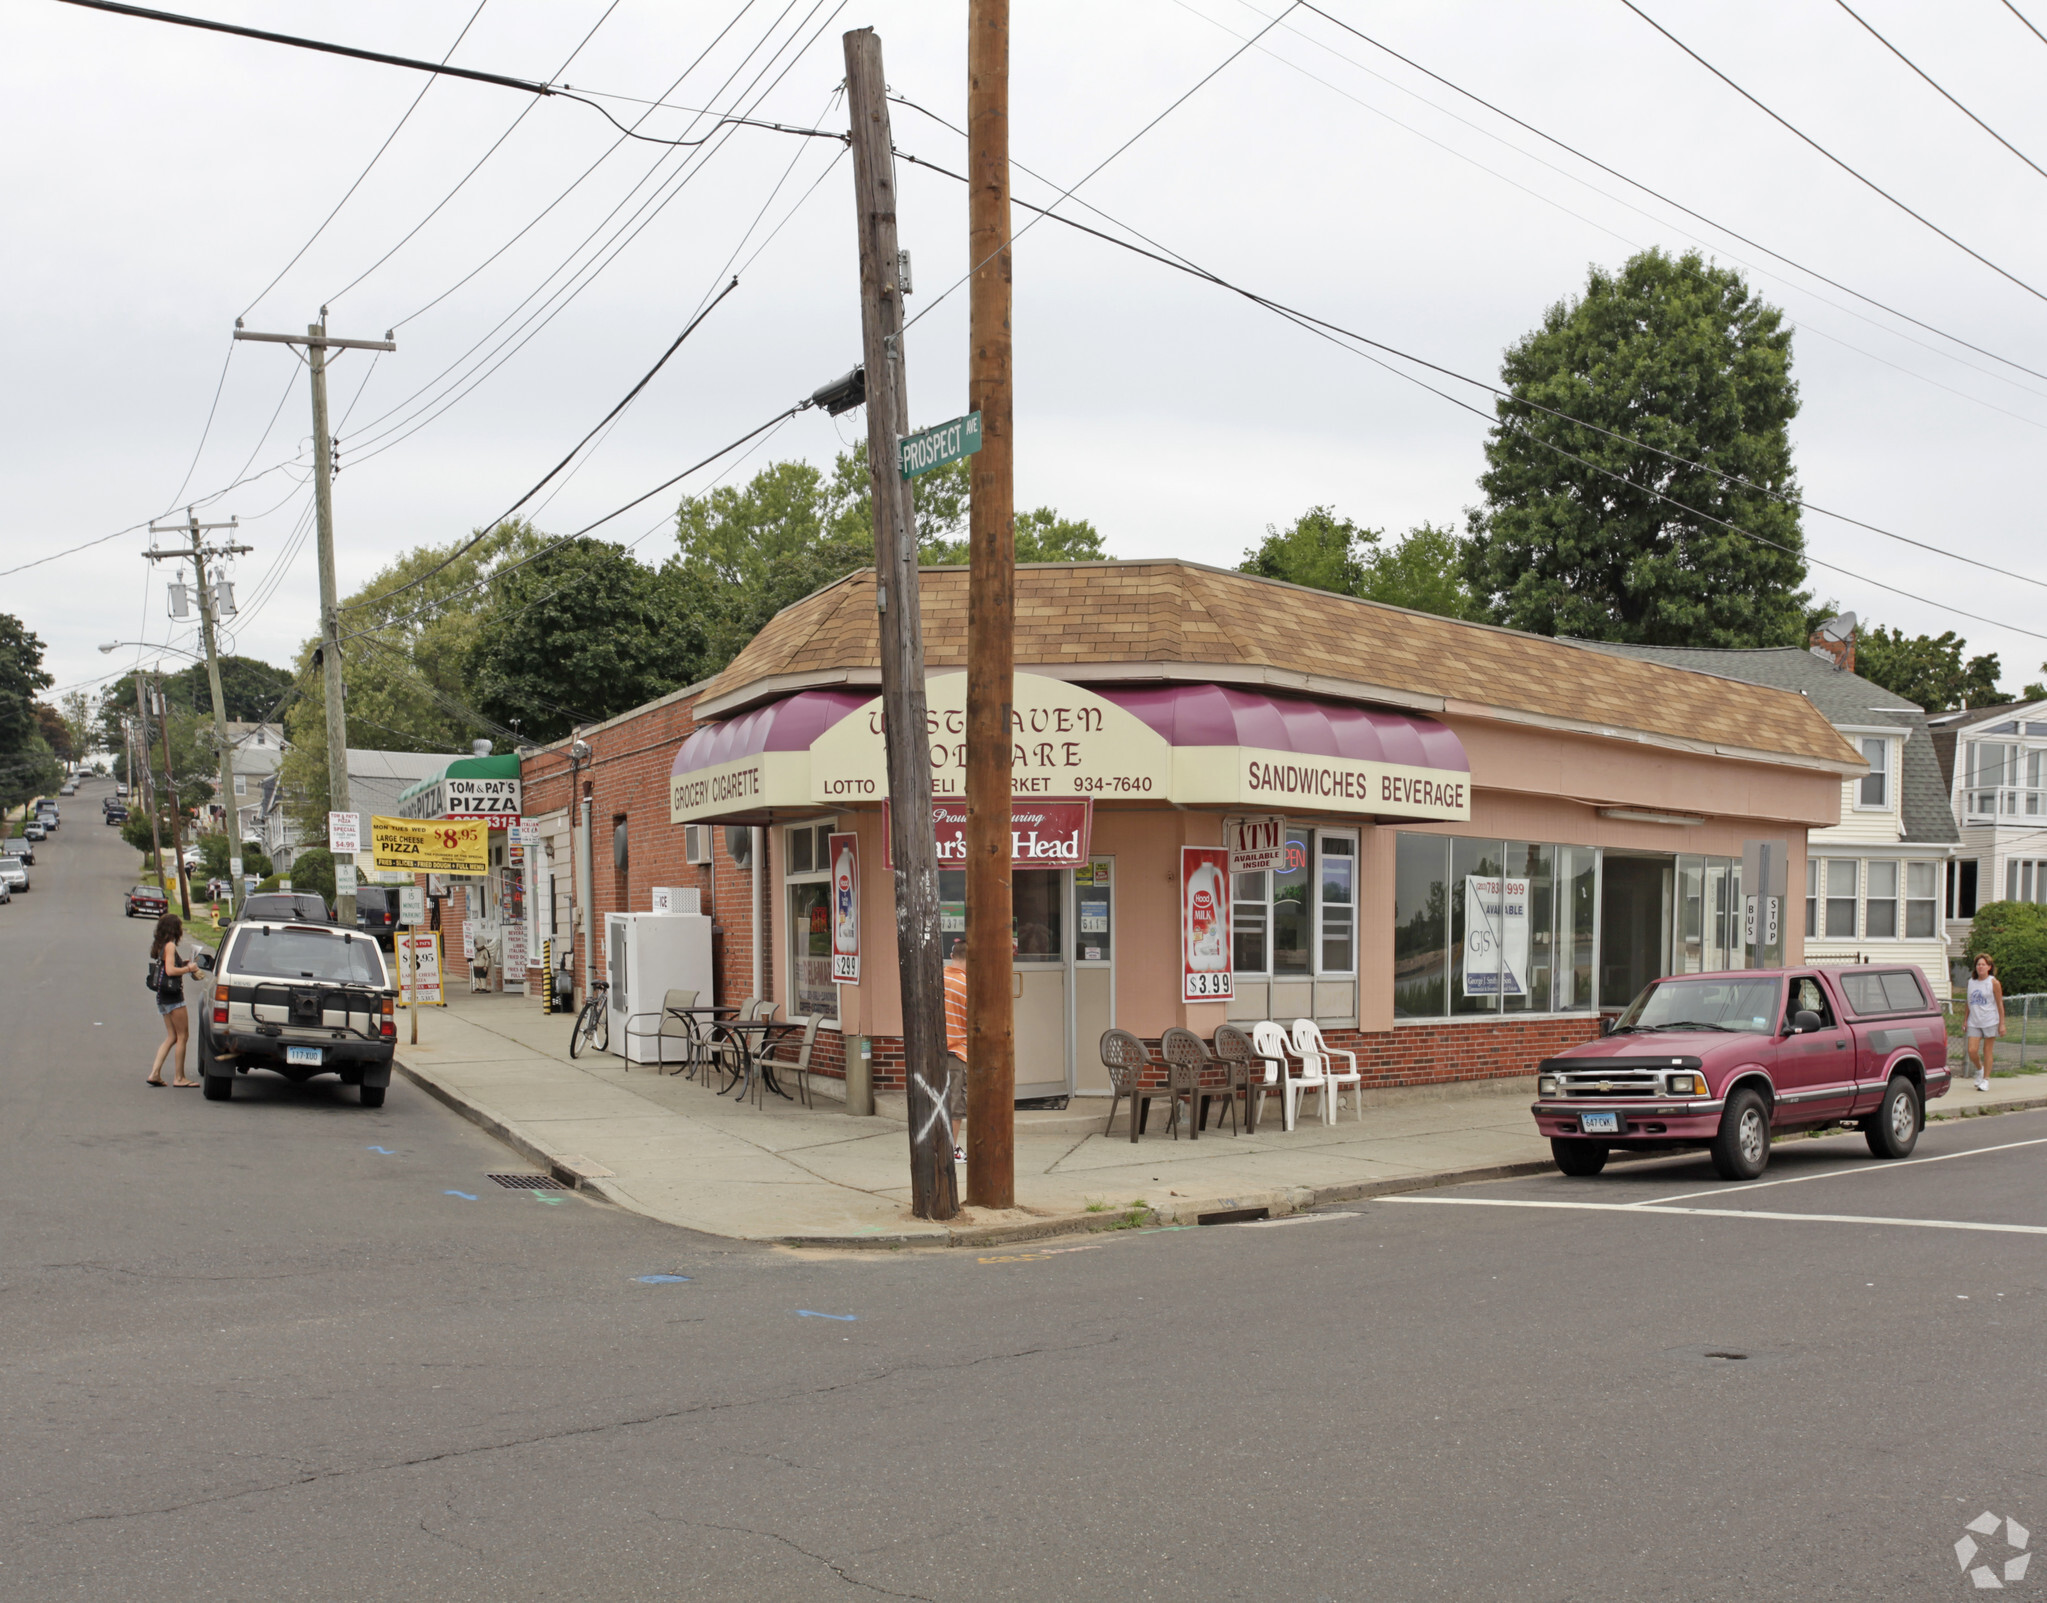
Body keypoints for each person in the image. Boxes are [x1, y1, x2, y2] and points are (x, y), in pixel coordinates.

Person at [147, 912, 202, 1088]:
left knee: (171, 1036)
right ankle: (179, 1077)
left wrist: (184, 963)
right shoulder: (170, 946)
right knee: (182, 1036)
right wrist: (189, 969)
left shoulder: (161, 946)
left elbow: (168, 966)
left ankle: (155, 1073)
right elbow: (170, 971)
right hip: (173, 997)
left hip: (162, 997)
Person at [942, 937, 970, 1165]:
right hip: (958, 1051)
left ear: (952, 956)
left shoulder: (938, 978)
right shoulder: (966, 986)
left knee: (939, 1100)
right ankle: (952, 1148)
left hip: (937, 1049)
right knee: (956, 1105)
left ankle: (941, 1145)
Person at [1965, 952, 2005, 1093]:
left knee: (1987, 1050)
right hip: (1974, 1021)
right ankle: (1979, 1069)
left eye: (1983, 965)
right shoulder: (1971, 982)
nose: (1980, 967)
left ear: (1989, 967)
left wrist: (2002, 1023)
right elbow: (1968, 1002)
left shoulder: (1993, 983)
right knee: (1972, 1050)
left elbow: (1999, 1004)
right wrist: (1965, 1021)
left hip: (1989, 1020)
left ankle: (1986, 1079)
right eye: (1978, 965)